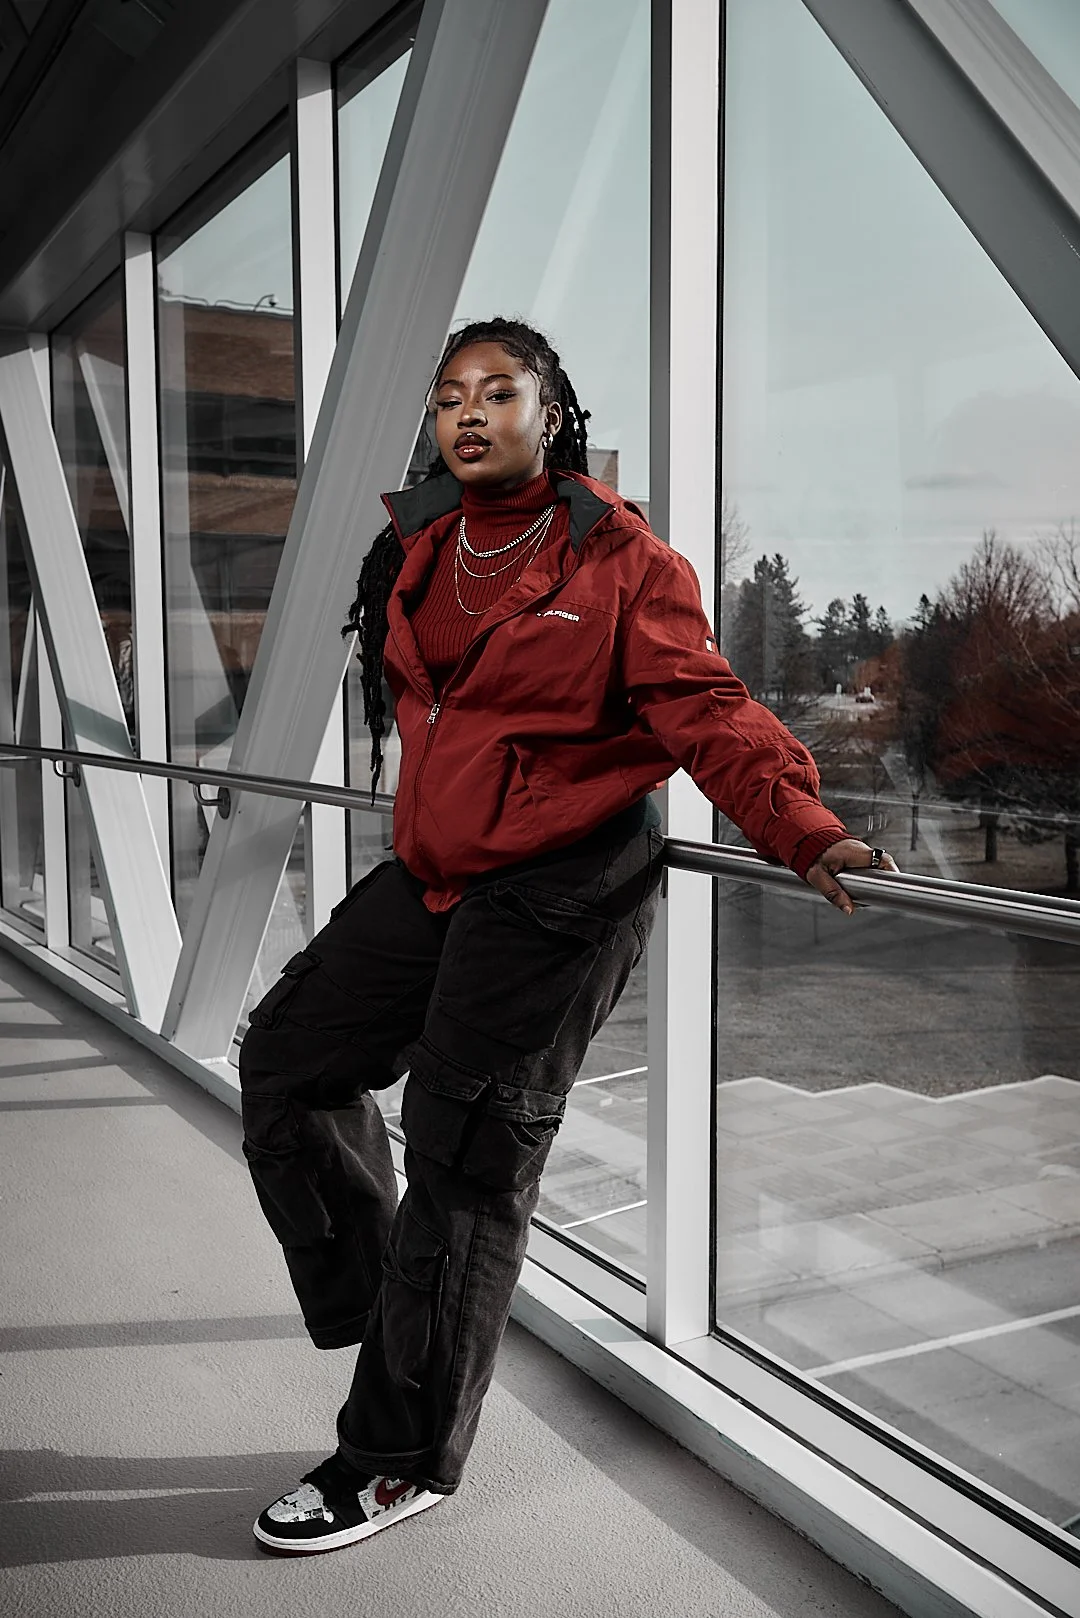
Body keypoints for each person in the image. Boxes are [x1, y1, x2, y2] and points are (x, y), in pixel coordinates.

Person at [240, 316, 897, 1555]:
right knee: (284, 1059)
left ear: (554, 414)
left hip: (558, 886)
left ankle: (396, 1456)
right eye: (449, 399)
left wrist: (801, 822)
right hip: (437, 871)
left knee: (466, 1150)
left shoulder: (622, 560)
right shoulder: (420, 545)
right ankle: (408, 1302)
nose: (469, 414)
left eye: (499, 392)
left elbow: (706, 706)